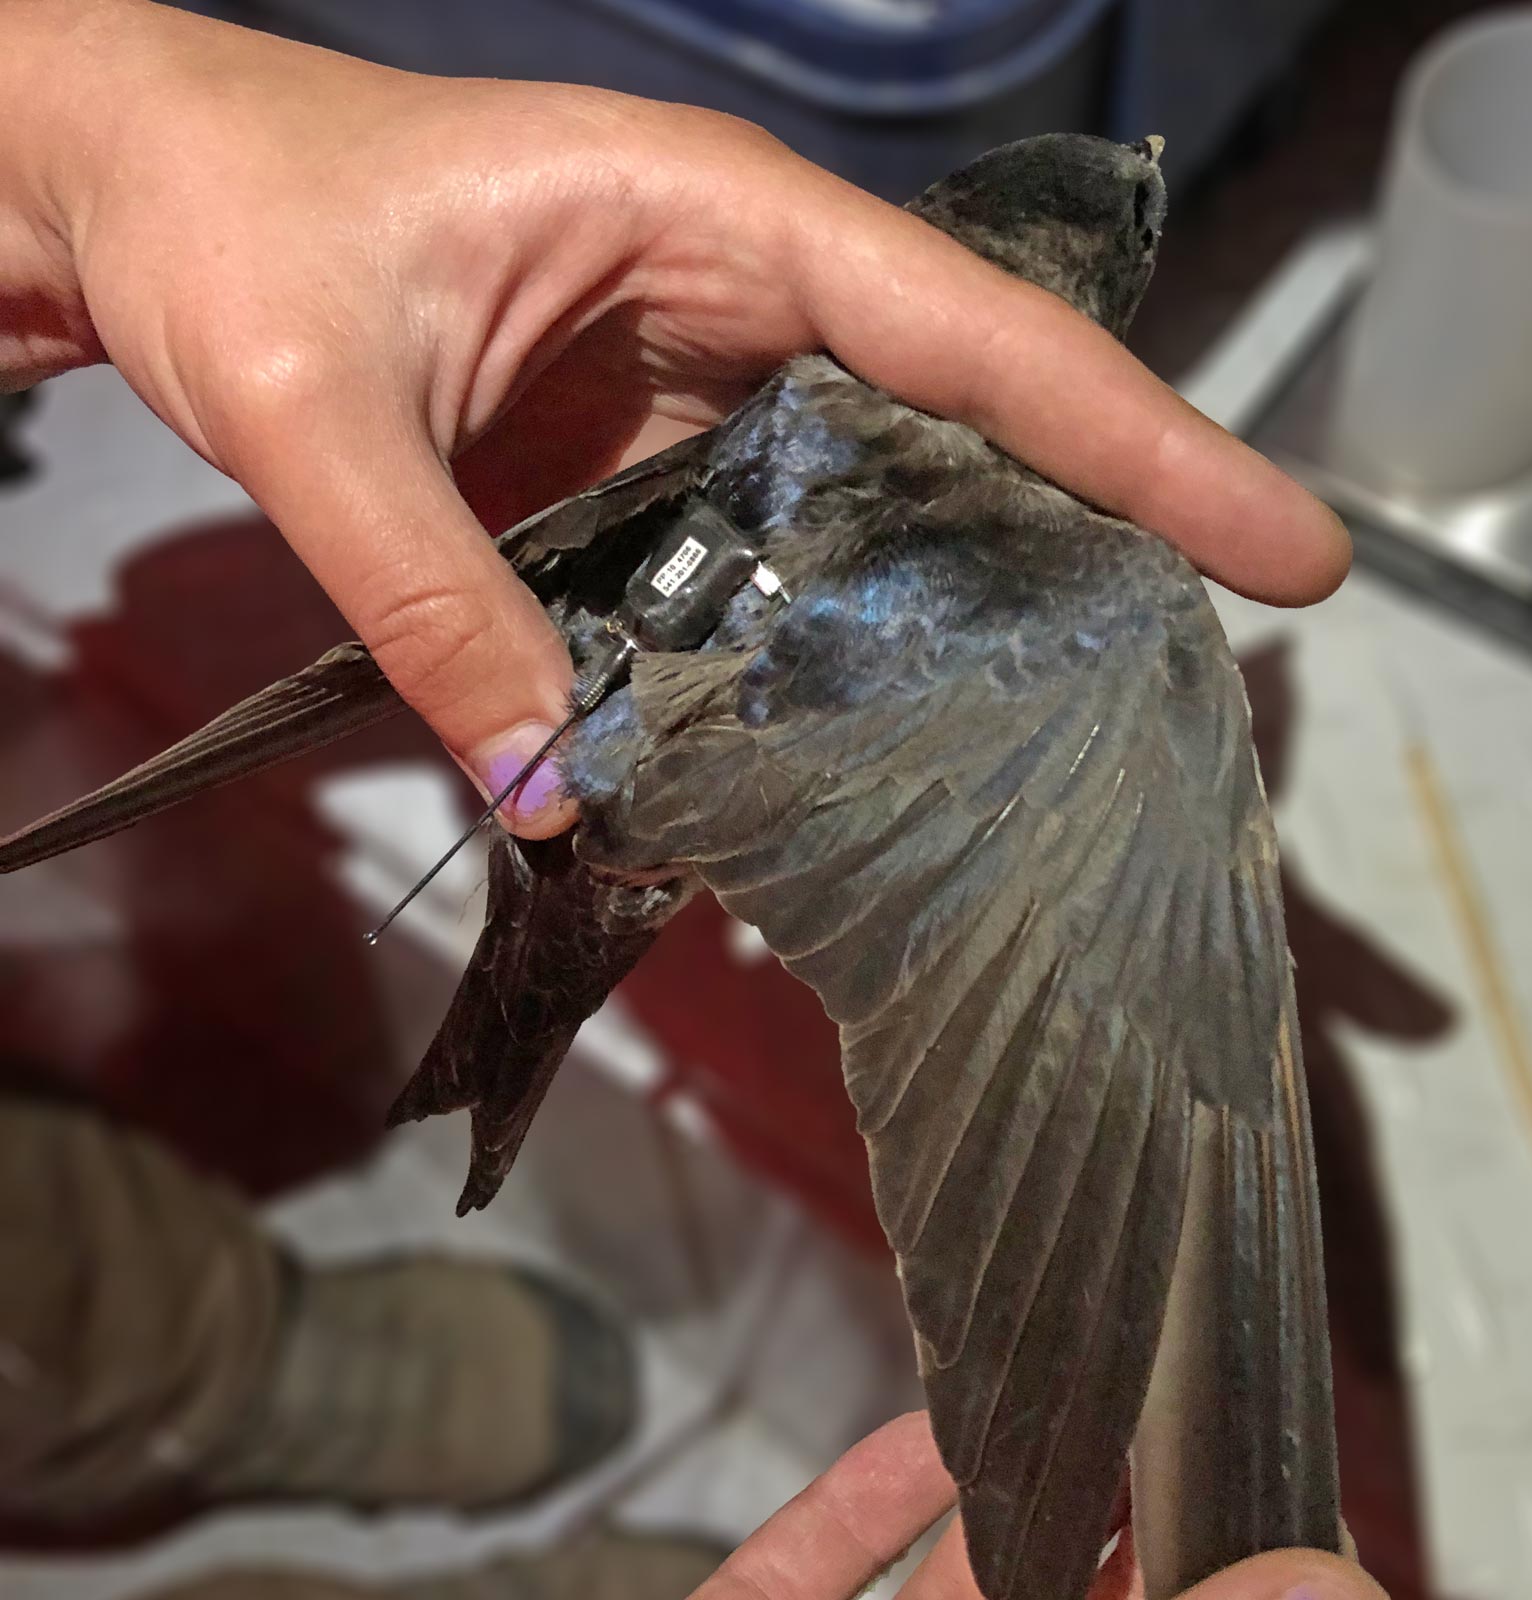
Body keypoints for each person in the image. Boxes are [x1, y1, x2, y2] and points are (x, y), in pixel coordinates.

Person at [1, 3, 1377, 1597]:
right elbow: (1160, 1005)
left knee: (55, 1255)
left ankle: (210, 1356)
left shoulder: (829, 416)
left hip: (618, 723)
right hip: (635, 732)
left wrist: (64, 130)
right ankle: (194, 1390)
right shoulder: (1094, 613)